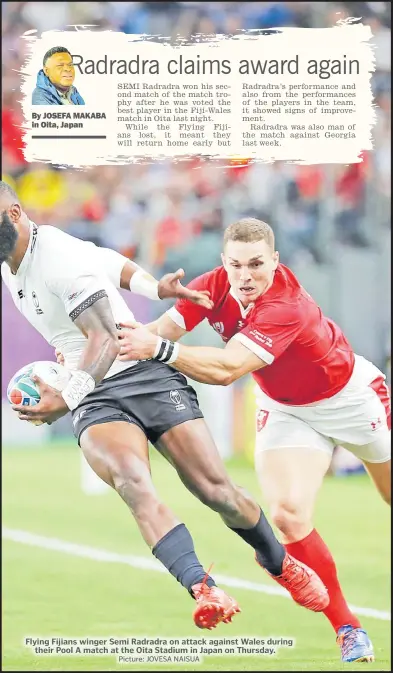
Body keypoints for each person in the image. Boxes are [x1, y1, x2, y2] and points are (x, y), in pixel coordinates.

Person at [0, 186, 329, 632]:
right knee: (132, 482)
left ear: (14, 213)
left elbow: (104, 338)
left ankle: (278, 562)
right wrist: (152, 286)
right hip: (96, 395)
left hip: (139, 370)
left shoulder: (53, 256)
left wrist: (67, 397)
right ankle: (202, 587)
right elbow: (103, 260)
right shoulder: (24, 254)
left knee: (216, 491)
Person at [117, 217, 391, 663]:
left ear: (275, 261)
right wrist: (91, 353)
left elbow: (227, 369)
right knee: (287, 515)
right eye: (236, 265)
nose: (246, 277)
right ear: (224, 262)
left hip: (351, 400)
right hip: (287, 410)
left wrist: (159, 352)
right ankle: (348, 627)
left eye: (257, 265)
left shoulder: (287, 304)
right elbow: (155, 334)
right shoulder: (214, 285)